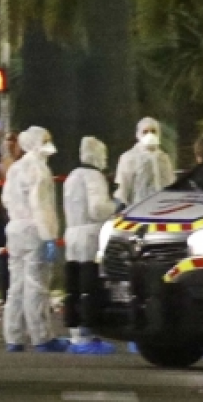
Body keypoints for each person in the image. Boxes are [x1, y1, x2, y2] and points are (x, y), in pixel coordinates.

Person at [1, 126, 66, 352]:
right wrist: (49, 236)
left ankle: (14, 336)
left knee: (16, 286)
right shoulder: (39, 169)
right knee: (37, 285)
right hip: (34, 230)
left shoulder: (15, 168)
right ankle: (42, 337)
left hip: (15, 229)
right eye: (45, 140)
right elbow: (41, 206)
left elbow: (6, 199)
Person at [63, 137, 117, 354]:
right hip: (90, 235)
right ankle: (87, 332)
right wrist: (114, 206)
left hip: (72, 233)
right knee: (89, 284)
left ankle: (75, 333)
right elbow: (97, 209)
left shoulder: (72, 177)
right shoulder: (94, 177)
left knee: (73, 285)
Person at [114, 117, 175, 209]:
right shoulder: (129, 158)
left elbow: (170, 184)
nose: (150, 135)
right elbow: (123, 188)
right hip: (139, 209)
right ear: (138, 134)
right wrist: (122, 207)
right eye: (145, 132)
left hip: (162, 209)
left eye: (153, 131)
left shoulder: (164, 158)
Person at [0, 131, 22, 302]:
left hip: (18, 219)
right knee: (4, 257)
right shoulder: (1, 164)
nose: (10, 143)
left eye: (14, 140)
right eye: (8, 140)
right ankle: (7, 294)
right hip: (3, 216)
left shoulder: (26, 165)